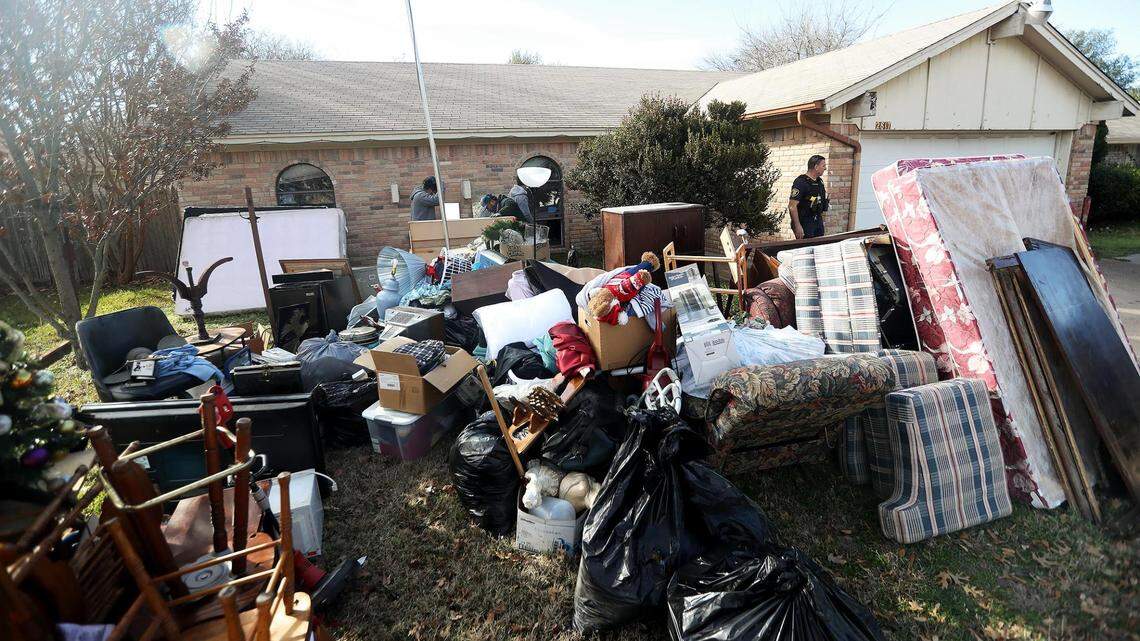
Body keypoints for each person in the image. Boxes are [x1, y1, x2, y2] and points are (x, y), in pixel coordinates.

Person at [789, 155, 829, 239]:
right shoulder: (801, 182)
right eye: (823, 165)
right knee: (805, 249)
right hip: (805, 222)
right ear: (816, 167)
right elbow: (792, 206)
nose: (825, 168)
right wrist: (797, 226)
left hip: (817, 221)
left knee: (818, 248)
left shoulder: (819, 182)